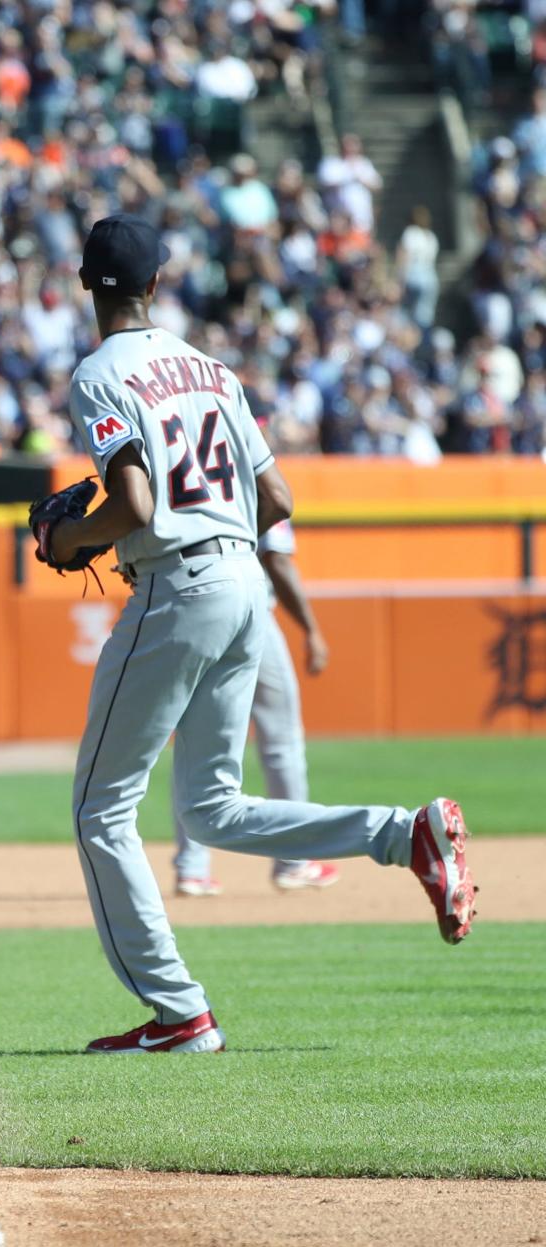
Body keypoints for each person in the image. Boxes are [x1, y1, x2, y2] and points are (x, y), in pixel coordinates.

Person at [42, 213, 477, 1055]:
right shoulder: (210, 367)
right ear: (156, 285)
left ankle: (179, 1011)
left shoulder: (100, 371)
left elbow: (133, 506)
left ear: (84, 285)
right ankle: (403, 832)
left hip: (178, 583)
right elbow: (277, 500)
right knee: (210, 808)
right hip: (244, 580)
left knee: (101, 807)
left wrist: (67, 540)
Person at [172, 517, 337, 896]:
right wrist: (311, 628)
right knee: (282, 741)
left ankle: (191, 868)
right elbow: (276, 558)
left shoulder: (181, 471)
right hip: (248, 612)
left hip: (188, 605)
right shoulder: (253, 471)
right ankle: (294, 860)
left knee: (194, 741)